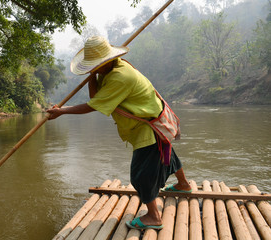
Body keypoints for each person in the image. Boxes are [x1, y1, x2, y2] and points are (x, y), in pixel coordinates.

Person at [46, 36, 191, 230]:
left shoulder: (120, 77)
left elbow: (93, 105)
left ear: (105, 61)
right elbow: (97, 97)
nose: (93, 68)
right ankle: (183, 184)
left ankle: (154, 216)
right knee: (168, 154)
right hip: (154, 120)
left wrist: (61, 112)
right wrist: (93, 76)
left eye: (94, 65)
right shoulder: (112, 69)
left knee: (140, 175)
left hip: (148, 128)